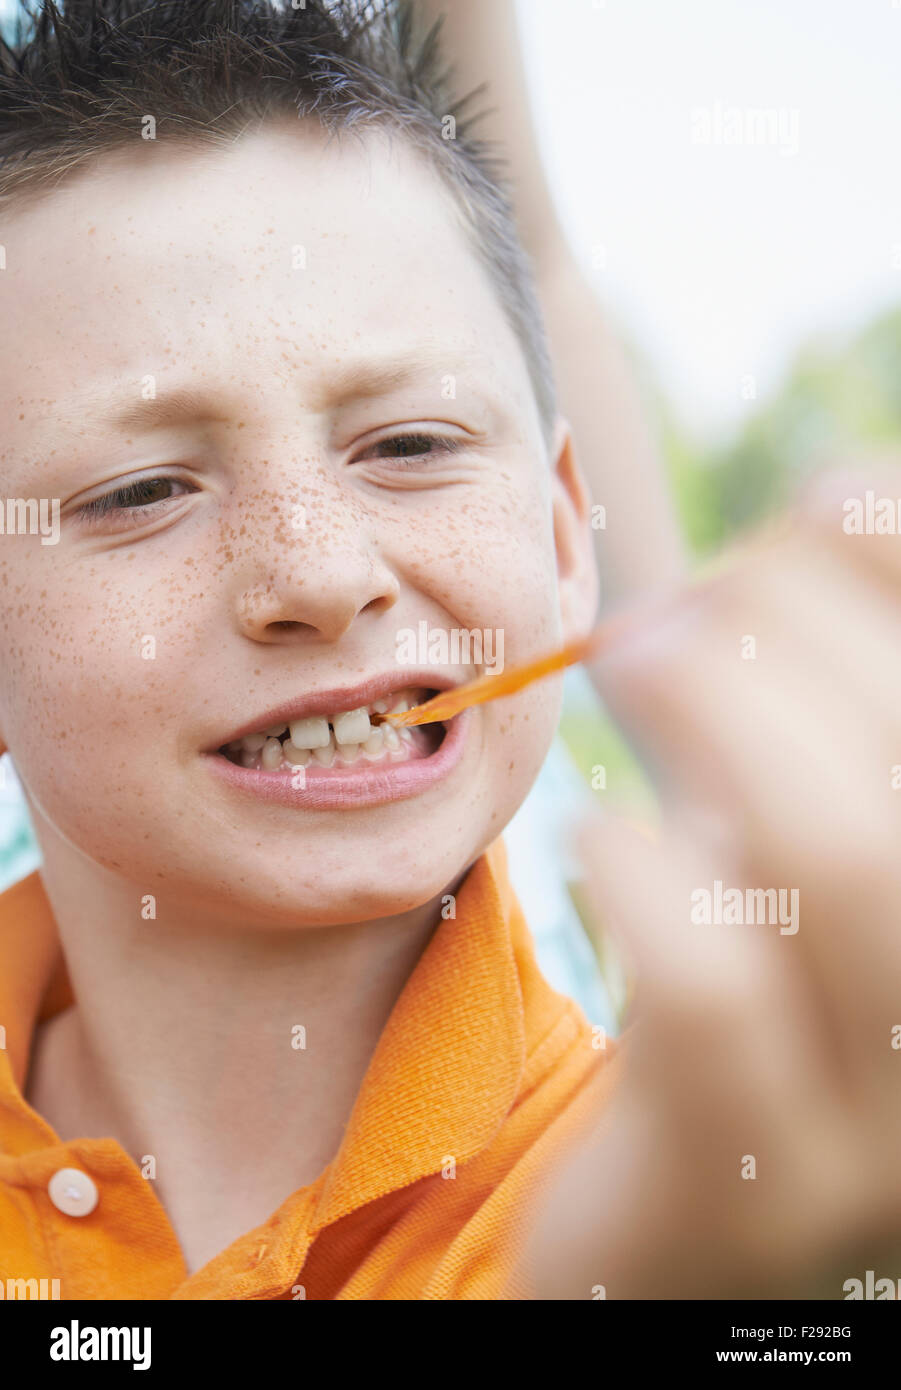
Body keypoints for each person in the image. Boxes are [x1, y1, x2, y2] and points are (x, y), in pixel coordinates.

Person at [0, 1, 899, 1301]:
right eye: (140, 490)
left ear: (558, 531)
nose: (317, 573)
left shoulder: (699, 1226)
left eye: (409, 445)